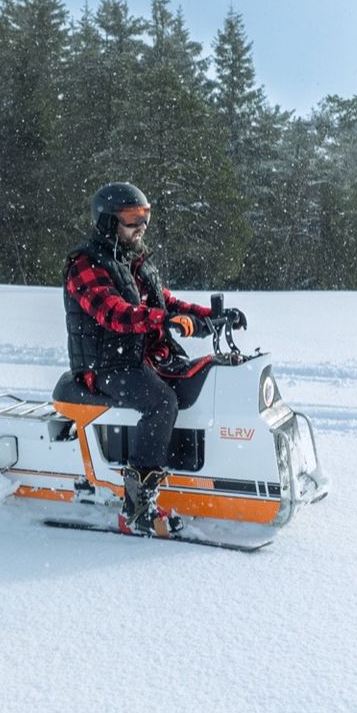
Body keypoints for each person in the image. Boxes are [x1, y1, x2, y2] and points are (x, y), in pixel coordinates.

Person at [62, 181, 247, 535]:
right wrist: (164, 320)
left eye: (145, 217)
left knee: (198, 381)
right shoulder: (85, 265)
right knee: (160, 402)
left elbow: (167, 303)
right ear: (107, 221)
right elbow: (114, 313)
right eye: (132, 218)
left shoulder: (132, 261)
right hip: (104, 366)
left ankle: (197, 477)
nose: (141, 226)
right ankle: (136, 507)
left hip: (141, 358)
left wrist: (210, 315)